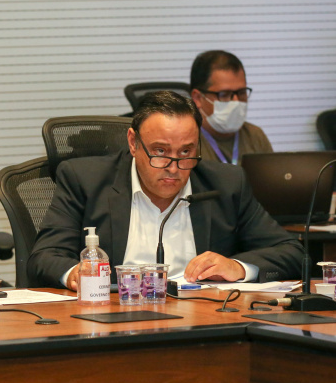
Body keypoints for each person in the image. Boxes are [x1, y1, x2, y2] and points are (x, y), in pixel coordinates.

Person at [29, 91, 302, 290]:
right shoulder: (85, 180)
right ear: (134, 143)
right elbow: (44, 257)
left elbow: (291, 252)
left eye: (186, 152)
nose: (174, 167)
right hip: (112, 318)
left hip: (201, 322)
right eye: (160, 152)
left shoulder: (226, 184)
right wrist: (76, 273)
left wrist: (238, 267)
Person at [190, 50, 272, 164]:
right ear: (198, 98)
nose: (236, 101)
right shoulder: (185, 142)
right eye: (224, 94)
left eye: (242, 92)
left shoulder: (255, 136)